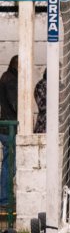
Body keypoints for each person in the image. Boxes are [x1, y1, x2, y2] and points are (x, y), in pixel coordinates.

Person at [0, 55, 17, 212]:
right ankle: (4, 198)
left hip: (5, 127)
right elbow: (15, 104)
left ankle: (5, 197)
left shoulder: (6, 77)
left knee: (10, 163)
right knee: (10, 164)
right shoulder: (11, 80)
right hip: (8, 128)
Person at [33, 69, 46, 133]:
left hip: (43, 123)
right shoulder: (41, 85)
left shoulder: (60, 85)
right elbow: (42, 106)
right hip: (43, 124)